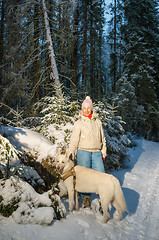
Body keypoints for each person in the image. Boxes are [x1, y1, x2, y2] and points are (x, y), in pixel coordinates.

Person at [68, 96, 107, 208]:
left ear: (91, 108)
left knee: (101, 175)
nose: (86, 110)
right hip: (83, 152)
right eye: (84, 108)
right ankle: (86, 198)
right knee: (84, 177)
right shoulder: (78, 123)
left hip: (96, 153)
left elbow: (102, 138)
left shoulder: (98, 122)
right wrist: (71, 153)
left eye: (88, 108)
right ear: (82, 109)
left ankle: (102, 199)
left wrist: (103, 151)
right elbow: (74, 140)